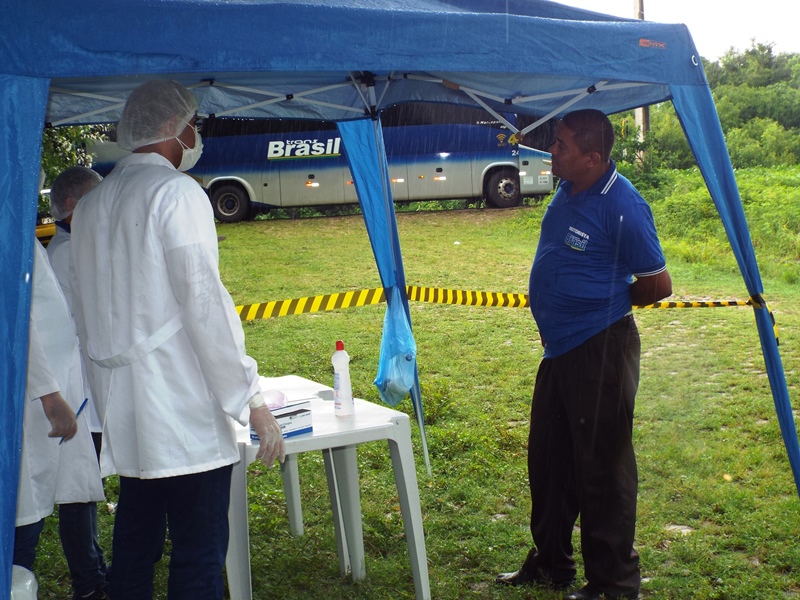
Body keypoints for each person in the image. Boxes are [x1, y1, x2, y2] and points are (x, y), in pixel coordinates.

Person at [69, 79, 285, 600]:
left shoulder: (94, 203)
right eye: (194, 124)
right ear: (173, 127)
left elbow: (86, 311)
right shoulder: (176, 192)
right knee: (198, 550)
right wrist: (252, 401)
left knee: (135, 542)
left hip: (125, 407)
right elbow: (204, 305)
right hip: (181, 404)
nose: (197, 135)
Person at [496, 109, 672, 600]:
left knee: (602, 469)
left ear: (592, 158)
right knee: (549, 461)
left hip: (602, 350)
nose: (552, 151)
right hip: (560, 350)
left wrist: (600, 304)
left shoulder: (623, 204)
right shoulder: (568, 187)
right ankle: (552, 563)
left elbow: (657, 283)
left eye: (562, 145)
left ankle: (614, 583)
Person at [48, 166, 110, 600]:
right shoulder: (68, 252)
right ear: (73, 206)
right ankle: (89, 581)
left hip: (84, 386)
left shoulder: (71, 246)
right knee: (77, 492)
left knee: (85, 488)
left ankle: (93, 570)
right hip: (76, 390)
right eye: (95, 200)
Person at [14, 239, 83, 578]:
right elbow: (15, 319)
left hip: (36, 393)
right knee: (22, 515)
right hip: (26, 400)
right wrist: (50, 396)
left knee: (28, 508)